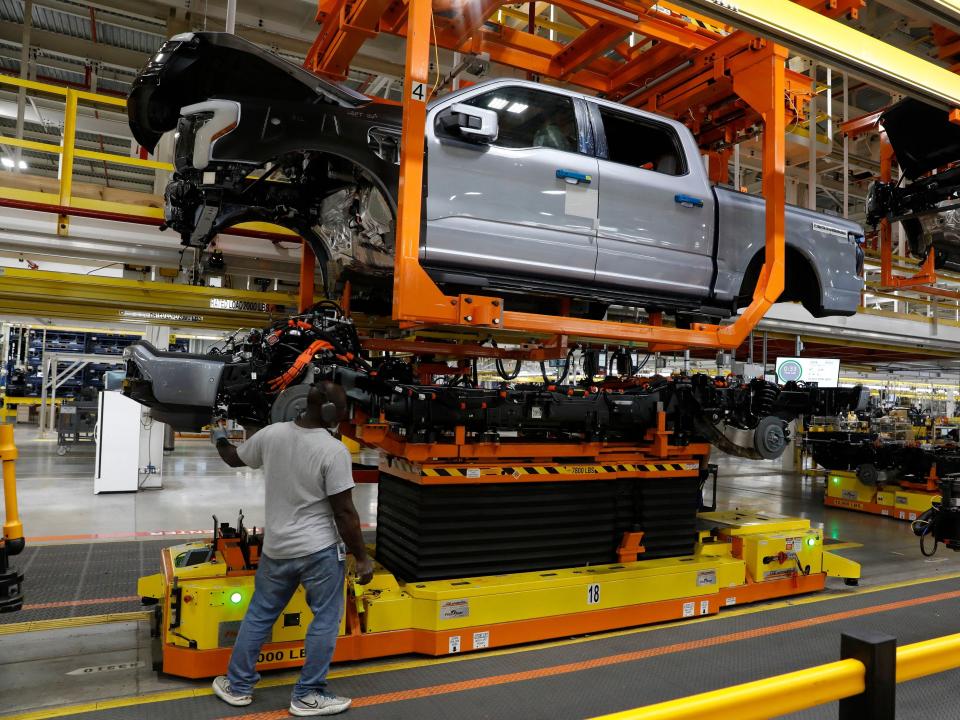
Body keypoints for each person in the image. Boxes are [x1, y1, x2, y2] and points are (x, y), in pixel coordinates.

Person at [209, 381, 375, 716]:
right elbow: (344, 512)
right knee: (326, 619)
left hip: (277, 548)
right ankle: (308, 694)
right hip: (318, 551)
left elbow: (232, 459)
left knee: (259, 615)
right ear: (329, 411)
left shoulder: (272, 435)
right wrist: (361, 557)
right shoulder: (333, 451)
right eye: (342, 410)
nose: (344, 415)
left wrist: (218, 435)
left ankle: (237, 686)